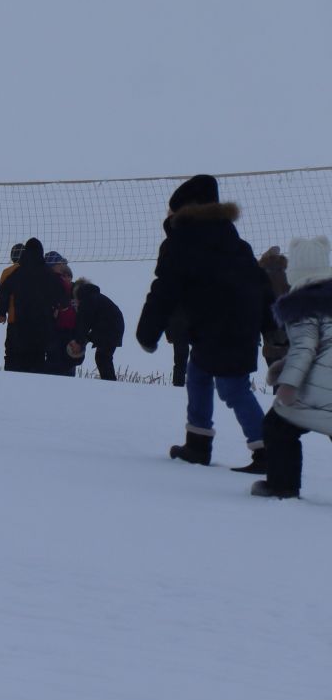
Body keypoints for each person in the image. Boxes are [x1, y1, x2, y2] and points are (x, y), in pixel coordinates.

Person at [137, 175, 272, 469]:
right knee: (197, 375)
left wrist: (148, 331)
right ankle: (197, 443)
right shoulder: (235, 241)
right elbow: (261, 285)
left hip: (219, 327)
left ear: (184, 210)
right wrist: (271, 326)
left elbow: (165, 287)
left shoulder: (182, 242)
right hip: (230, 327)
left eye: (171, 210)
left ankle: (268, 451)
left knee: (233, 388)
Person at [251, 239, 332, 499]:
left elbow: (305, 347)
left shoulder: (301, 304)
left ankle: (281, 486)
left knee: (278, 425)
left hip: (323, 385)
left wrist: (287, 385)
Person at [0, 237, 64, 374]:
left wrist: (2, 312)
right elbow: (61, 296)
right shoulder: (49, 274)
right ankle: (34, 391)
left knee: (13, 359)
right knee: (37, 361)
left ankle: (10, 389)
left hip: (18, 324)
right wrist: (59, 308)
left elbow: (3, 292)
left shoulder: (16, 272)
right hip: (41, 326)